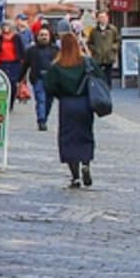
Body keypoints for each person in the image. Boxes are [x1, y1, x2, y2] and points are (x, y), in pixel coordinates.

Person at [39, 30, 100, 187]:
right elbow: (100, 78)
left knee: (68, 139)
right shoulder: (87, 62)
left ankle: (75, 176)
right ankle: (86, 164)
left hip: (67, 104)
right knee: (85, 135)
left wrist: (61, 95)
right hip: (85, 103)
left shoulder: (57, 66)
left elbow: (49, 87)